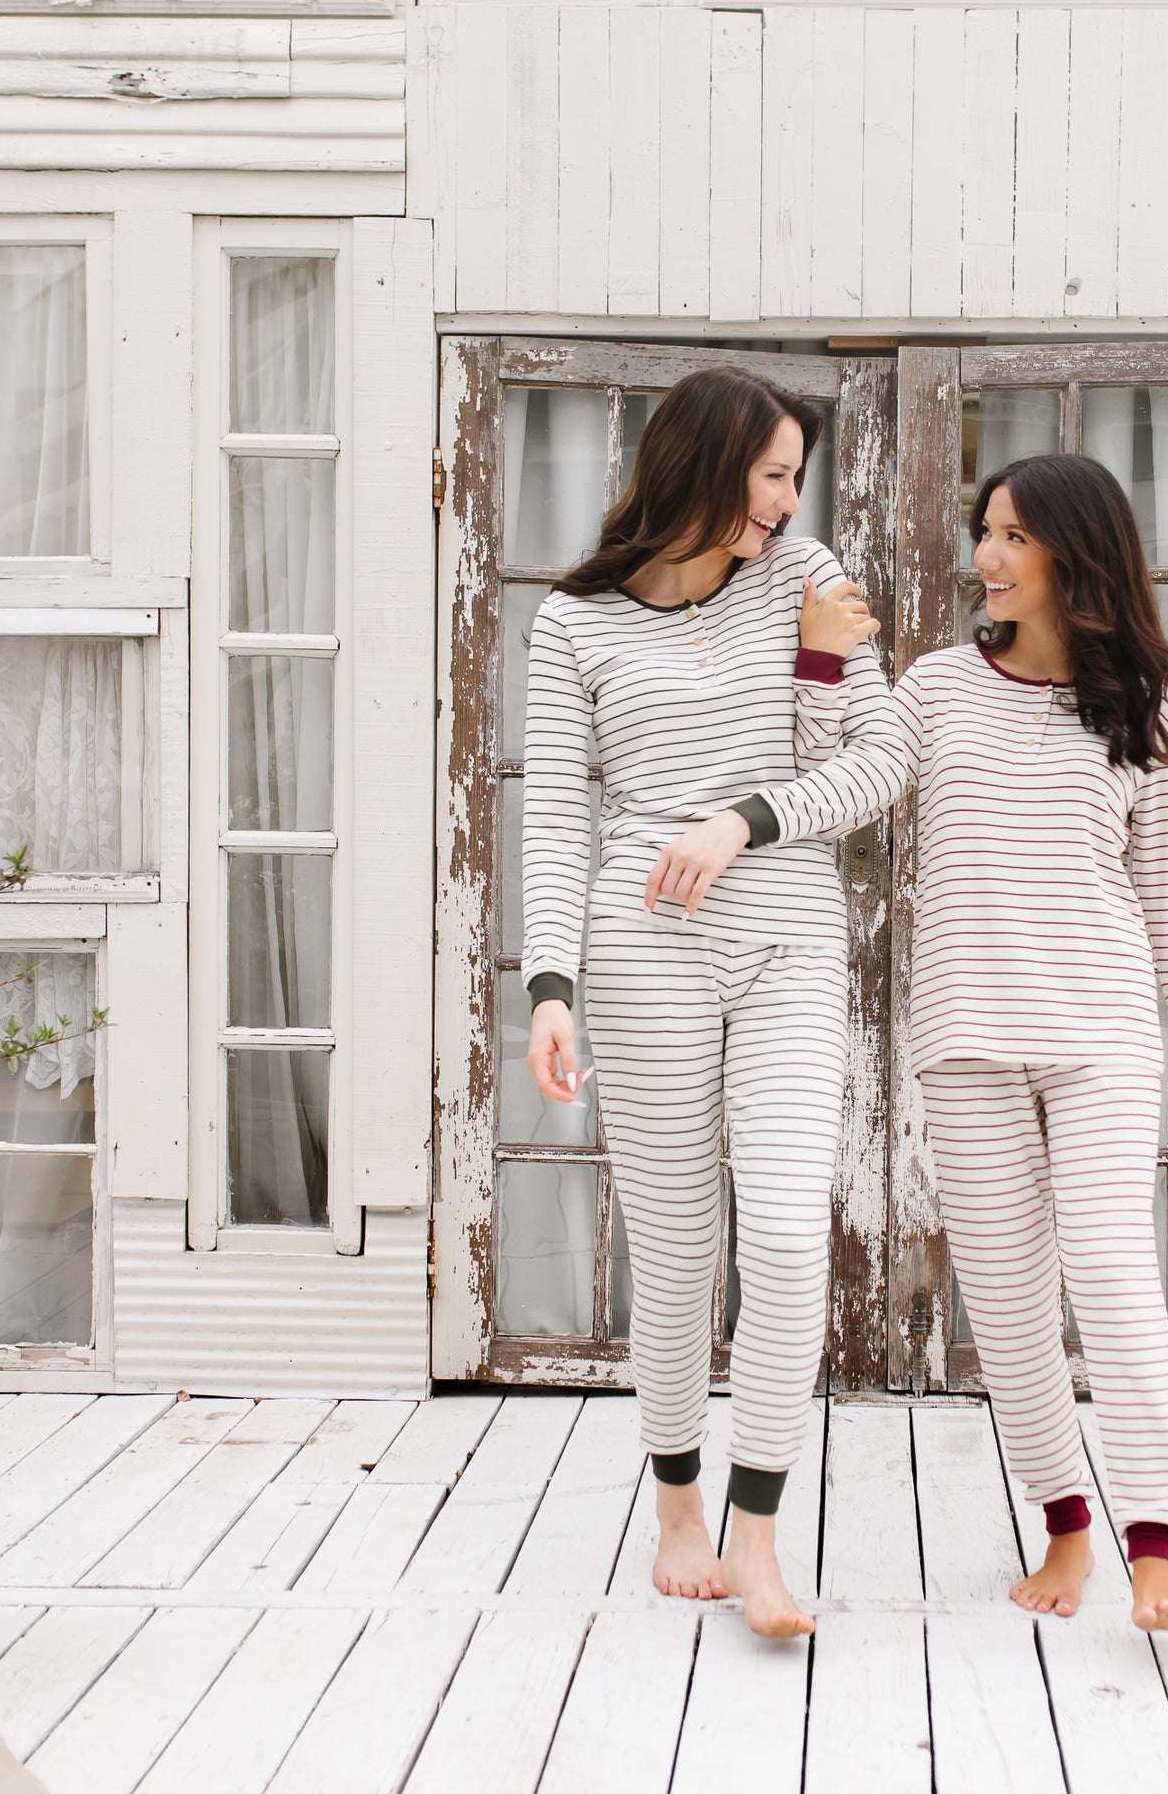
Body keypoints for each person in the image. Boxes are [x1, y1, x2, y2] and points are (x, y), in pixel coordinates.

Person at [842, 452, 1168, 1628]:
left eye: (1015, 536)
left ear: (1078, 550)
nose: (988, 555)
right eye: (985, 531)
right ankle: (1066, 1527)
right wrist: (827, 658)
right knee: (1011, 1306)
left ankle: (1157, 1543)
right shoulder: (932, 689)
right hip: (966, 1032)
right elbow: (848, 779)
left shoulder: (1148, 705)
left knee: (1116, 1280)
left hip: (1101, 1032)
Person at [522, 366, 903, 1638]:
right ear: (702, 466)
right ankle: (678, 1506)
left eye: (798, 479)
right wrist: (551, 984)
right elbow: (554, 817)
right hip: (642, 954)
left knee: (789, 1239)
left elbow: (874, 760)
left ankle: (757, 1531)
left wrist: (749, 813)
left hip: (785, 931)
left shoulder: (805, 577)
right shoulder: (572, 625)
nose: (792, 503)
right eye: (774, 476)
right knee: (680, 1257)